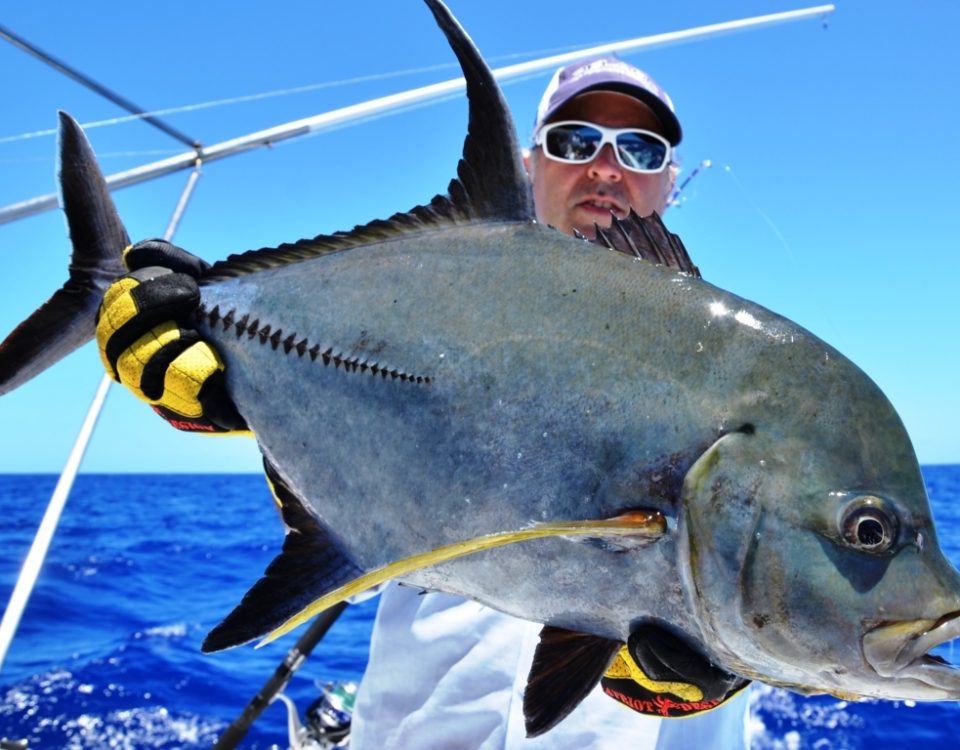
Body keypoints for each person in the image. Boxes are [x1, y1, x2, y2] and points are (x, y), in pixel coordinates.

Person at [96, 56, 750, 748]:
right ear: (529, 166)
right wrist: (232, 386)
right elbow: (345, 533)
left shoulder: (751, 383)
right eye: (574, 141)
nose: (607, 167)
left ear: (671, 180)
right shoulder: (404, 325)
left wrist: (727, 663)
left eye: (641, 150)